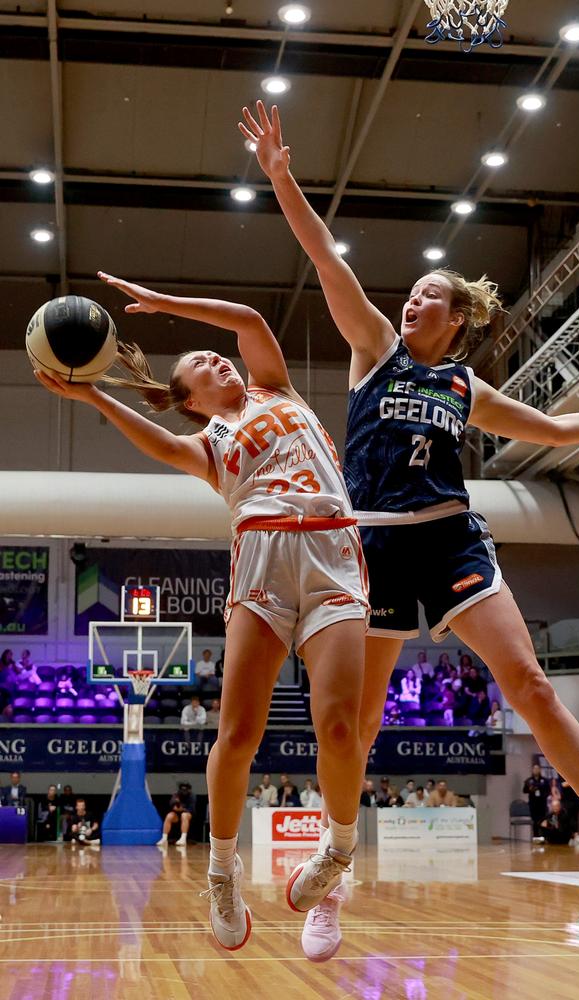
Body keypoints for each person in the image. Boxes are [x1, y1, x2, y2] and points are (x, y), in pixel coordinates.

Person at [240, 96, 579, 954]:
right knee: (358, 722)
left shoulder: (467, 388)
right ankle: (334, 877)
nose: (413, 300)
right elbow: (323, 255)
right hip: (373, 545)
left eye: (431, 297)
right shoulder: (374, 349)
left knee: (531, 685)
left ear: (457, 318)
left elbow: (568, 431)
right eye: (414, 293)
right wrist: (283, 177)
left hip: (451, 536)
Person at [36, 274, 369, 953]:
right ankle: (220, 870)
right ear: (191, 401)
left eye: (216, 357)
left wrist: (163, 304)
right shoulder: (208, 447)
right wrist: (91, 392)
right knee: (238, 733)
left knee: (338, 727)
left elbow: (247, 316)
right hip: (263, 564)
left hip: (334, 551)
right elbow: (155, 442)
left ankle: (337, 849)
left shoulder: (278, 389)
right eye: (203, 369)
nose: (219, 361)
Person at [157, 782, 196, 848]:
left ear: (189, 790)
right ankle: (164, 838)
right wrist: (175, 806)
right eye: (182, 789)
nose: (183, 791)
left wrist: (182, 809)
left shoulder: (192, 796)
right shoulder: (176, 794)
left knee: (184, 815)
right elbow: (171, 805)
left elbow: (191, 809)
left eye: (185, 789)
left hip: (187, 814)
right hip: (177, 814)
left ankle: (183, 839)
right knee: (169, 816)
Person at [523, 764, 551, 838]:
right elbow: (524, 790)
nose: (536, 770)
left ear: (540, 770)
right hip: (533, 803)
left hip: (542, 803)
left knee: (542, 820)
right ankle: (535, 836)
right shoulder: (529, 780)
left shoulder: (544, 780)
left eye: (537, 768)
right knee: (535, 821)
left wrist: (543, 794)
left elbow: (548, 791)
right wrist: (530, 789)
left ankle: (542, 836)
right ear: (532, 770)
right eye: (534, 769)